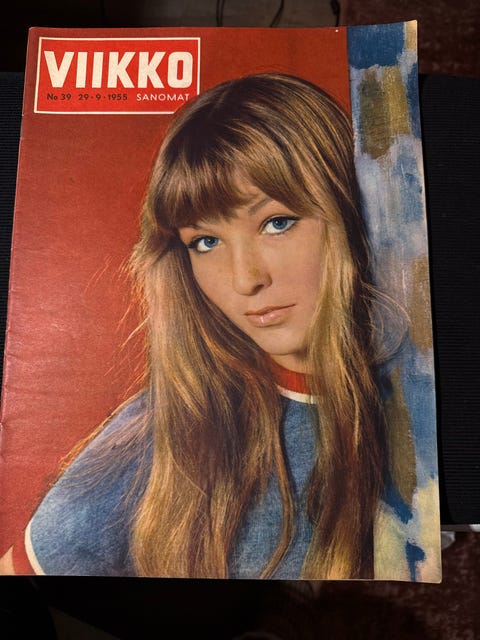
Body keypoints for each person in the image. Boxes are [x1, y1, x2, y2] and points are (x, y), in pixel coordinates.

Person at [0, 72, 425, 580]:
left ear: (349, 213)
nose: (245, 279)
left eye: (277, 223)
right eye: (206, 242)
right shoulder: (168, 430)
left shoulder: (419, 392)